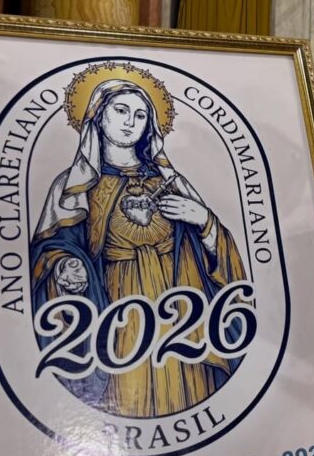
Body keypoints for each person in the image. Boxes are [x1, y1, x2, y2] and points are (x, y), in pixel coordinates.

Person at [30, 74, 246, 418]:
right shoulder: (74, 184)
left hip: (180, 312)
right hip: (120, 310)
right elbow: (51, 248)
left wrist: (203, 219)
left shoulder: (169, 180)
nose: (131, 122)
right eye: (120, 110)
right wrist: (64, 267)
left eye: (141, 115)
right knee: (129, 397)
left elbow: (220, 254)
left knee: (187, 390)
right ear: (99, 115)